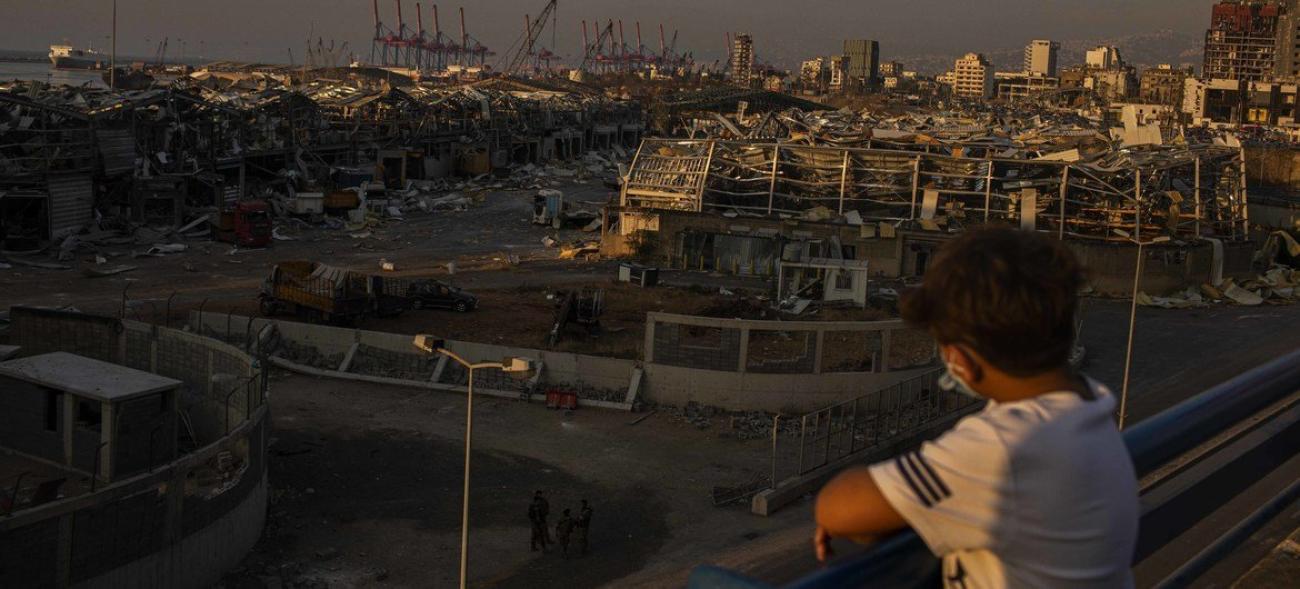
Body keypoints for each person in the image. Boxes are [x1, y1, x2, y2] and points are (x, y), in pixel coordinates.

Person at [813, 227, 1139, 588]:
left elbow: (838, 508)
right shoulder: (1087, 401)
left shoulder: (1003, 447)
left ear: (962, 362)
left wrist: (869, 513)